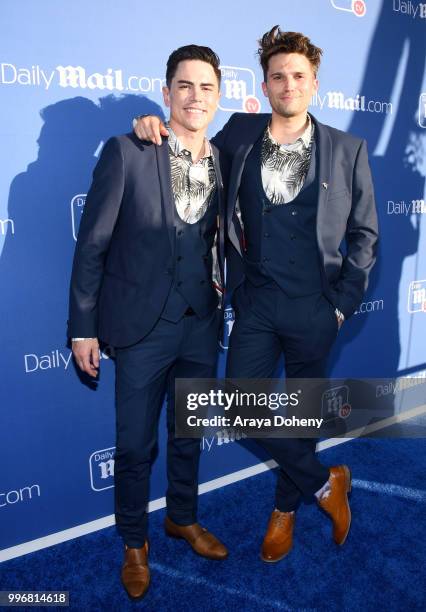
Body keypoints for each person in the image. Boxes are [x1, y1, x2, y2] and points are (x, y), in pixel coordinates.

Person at [133, 26, 378, 562]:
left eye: (298, 76)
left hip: (317, 305)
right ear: (263, 87)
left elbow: (364, 236)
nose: (288, 85)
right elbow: (187, 148)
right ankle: (325, 481)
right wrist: (153, 126)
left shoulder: (347, 149)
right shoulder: (239, 135)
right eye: (277, 77)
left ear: (314, 83)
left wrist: (340, 307)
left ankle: (284, 511)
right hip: (257, 303)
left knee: (304, 415)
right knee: (244, 409)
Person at [68, 44, 228, 601]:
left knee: (188, 435)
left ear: (219, 96)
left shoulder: (226, 156)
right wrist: (82, 328)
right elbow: (92, 246)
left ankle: (181, 517)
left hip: (201, 323)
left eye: (206, 87)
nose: (195, 96)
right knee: (135, 445)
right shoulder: (129, 150)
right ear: (167, 93)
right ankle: (134, 540)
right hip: (142, 328)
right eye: (184, 86)